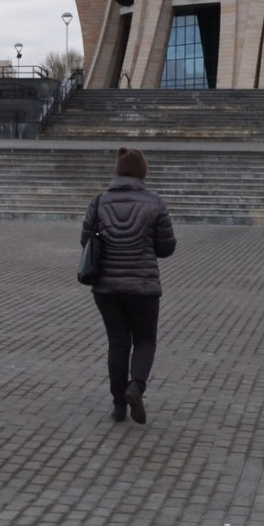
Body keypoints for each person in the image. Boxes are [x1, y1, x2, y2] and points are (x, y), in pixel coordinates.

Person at [82, 146, 175, 424]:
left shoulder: (99, 202)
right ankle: (136, 386)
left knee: (118, 342)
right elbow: (166, 248)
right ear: (143, 173)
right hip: (143, 286)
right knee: (144, 340)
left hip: (106, 287)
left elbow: (86, 241)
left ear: (118, 172)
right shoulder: (155, 203)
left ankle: (118, 406)